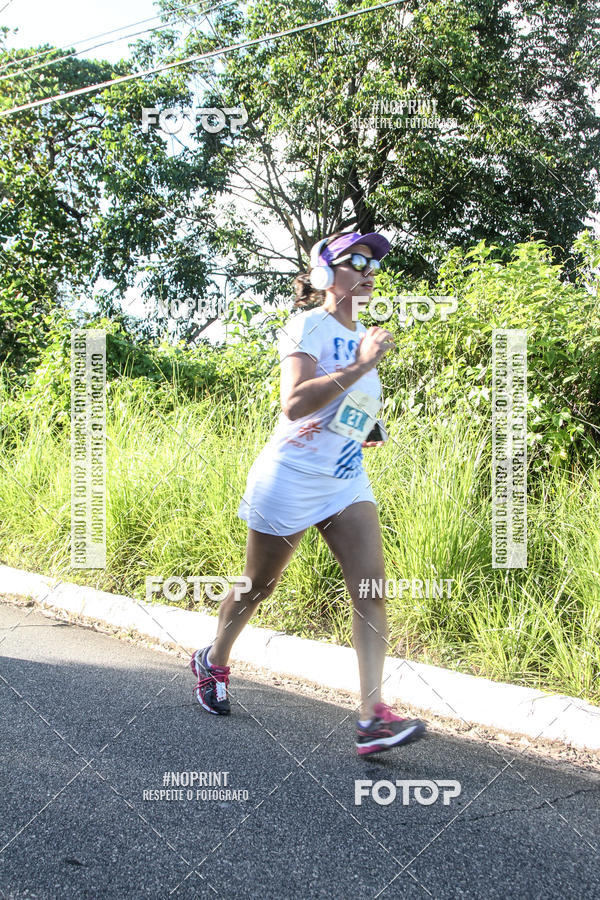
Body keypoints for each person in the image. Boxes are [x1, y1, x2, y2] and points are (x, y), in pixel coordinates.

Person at [190, 231, 426, 756]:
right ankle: (214, 657)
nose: (368, 270)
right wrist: (362, 365)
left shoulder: (364, 331)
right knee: (257, 587)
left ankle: (372, 718)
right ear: (324, 274)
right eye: (355, 261)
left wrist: (368, 426)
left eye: (373, 263)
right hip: (290, 479)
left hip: (345, 481)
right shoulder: (307, 325)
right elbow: (295, 403)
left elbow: (348, 410)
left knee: (371, 591)